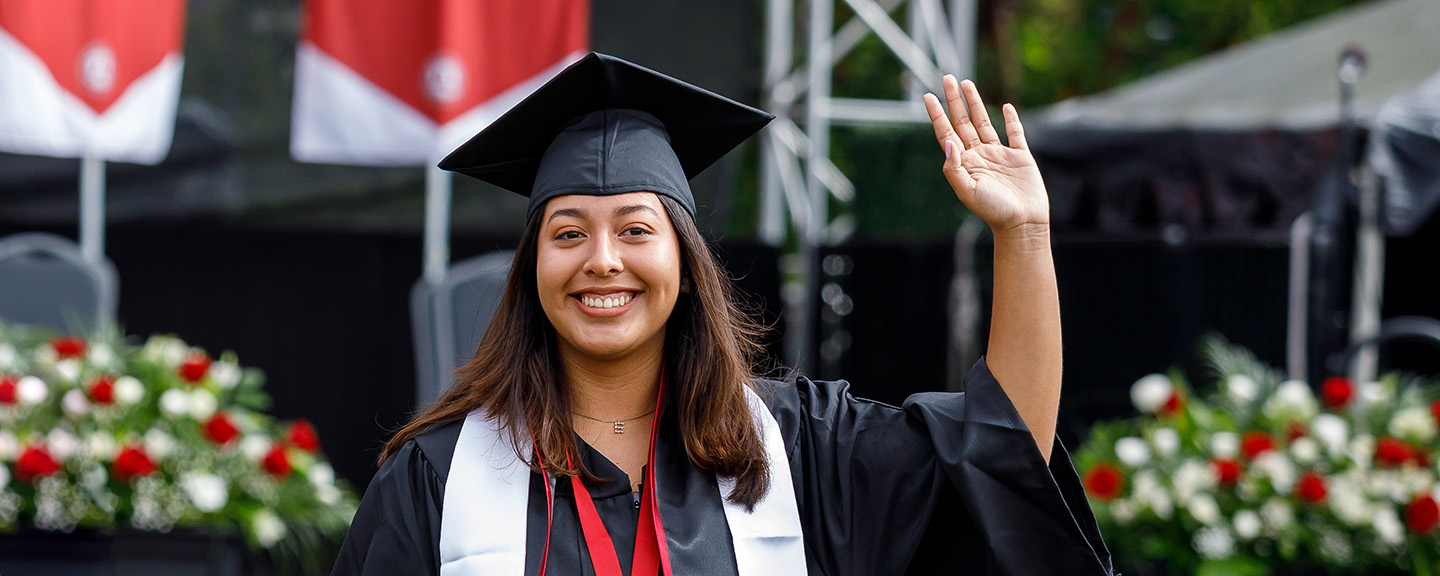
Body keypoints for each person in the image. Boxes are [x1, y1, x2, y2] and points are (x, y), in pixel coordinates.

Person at [331, 52, 1114, 576]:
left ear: (685, 263)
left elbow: (1002, 447)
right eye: (568, 233)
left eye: (637, 230)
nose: (602, 259)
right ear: (532, 267)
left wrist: (1023, 234)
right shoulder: (438, 476)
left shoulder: (800, 448)